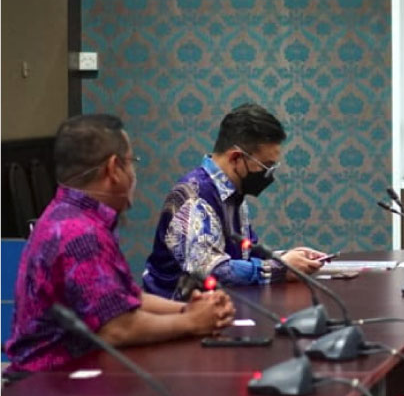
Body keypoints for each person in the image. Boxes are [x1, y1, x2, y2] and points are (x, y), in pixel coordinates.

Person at [4, 115, 235, 373]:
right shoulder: (80, 233)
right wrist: (192, 322)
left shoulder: (70, 215)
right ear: (114, 169)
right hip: (50, 383)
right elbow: (117, 328)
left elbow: (125, 297)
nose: (133, 174)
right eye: (131, 162)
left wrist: (190, 309)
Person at [142, 103, 324, 299]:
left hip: (217, 307)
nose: (269, 174)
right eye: (266, 166)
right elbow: (212, 271)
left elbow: (247, 254)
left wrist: (286, 259)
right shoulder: (195, 197)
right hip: (175, 311)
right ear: (236, 158)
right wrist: (278, 269)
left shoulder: (233, 194)